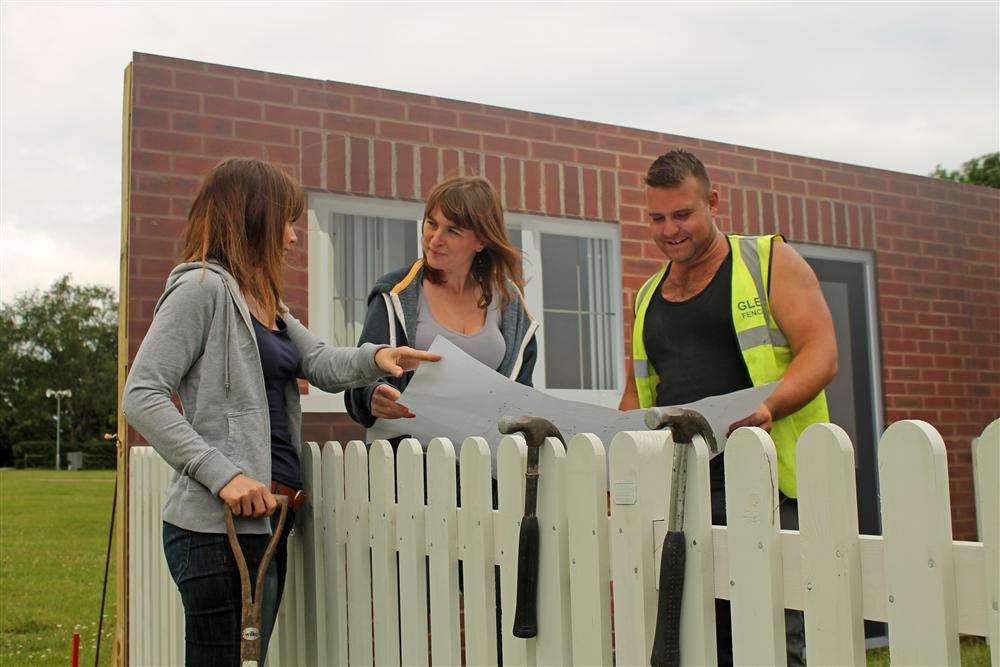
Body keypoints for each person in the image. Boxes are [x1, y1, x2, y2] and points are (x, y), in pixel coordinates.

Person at [123, 158, 437, 666]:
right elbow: (141, 394)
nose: (294, 237)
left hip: (268, 523)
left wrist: (376, 357)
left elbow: (316, 361)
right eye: (287, 221)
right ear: (251, 219)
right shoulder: (200, 288)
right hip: (215, 530)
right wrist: (223, 476)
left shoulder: (267, 302)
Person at [619, 150, 837, 666]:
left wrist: (769, 406)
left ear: (713, 202)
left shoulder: (768, 261)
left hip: (769, 483)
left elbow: (821, 353)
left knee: (776, 641)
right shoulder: (647, 295)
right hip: (683, 492)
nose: (670, 230)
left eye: (683, 214)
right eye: (657, 218)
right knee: (702, 640)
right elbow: (638, 397)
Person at [346, 175, 537, 430]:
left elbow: (523, 391)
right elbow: (361, 377)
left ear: (481, 241)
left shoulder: (511, 302)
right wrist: (372, 394)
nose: (434, 240)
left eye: (452, 231)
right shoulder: (394, 292)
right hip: (410, 459)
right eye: (431, 224)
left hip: (487, 462)